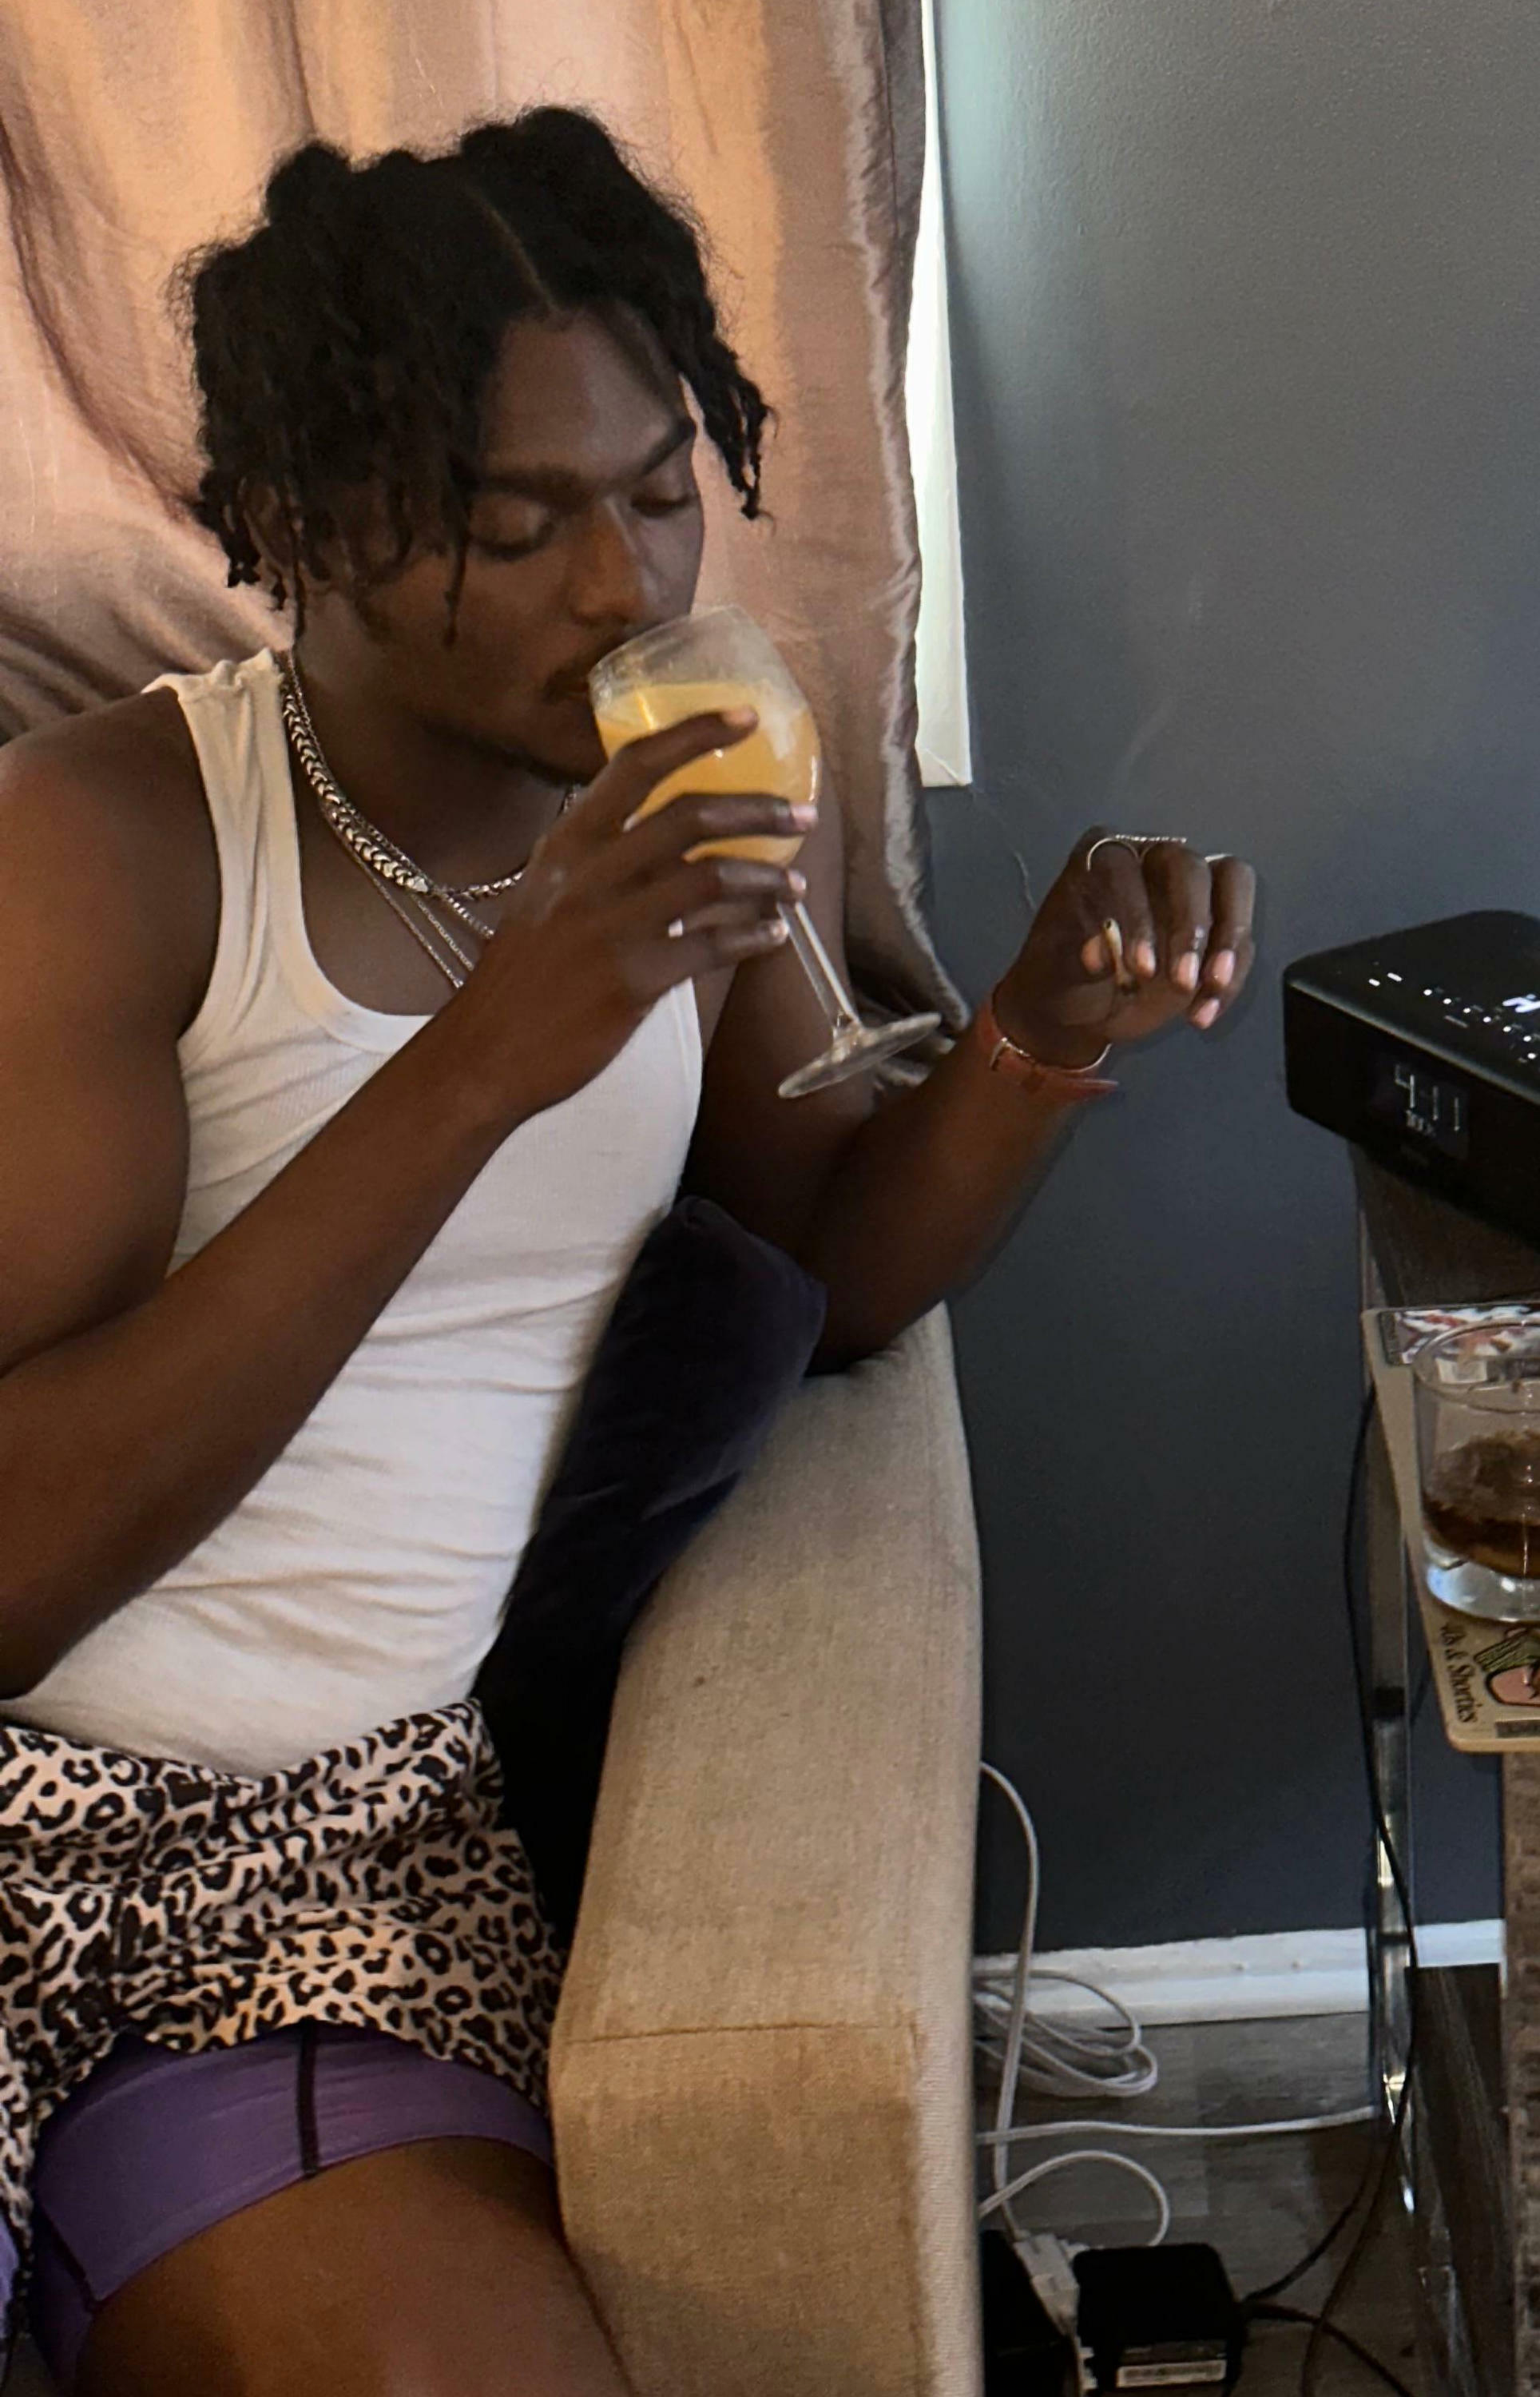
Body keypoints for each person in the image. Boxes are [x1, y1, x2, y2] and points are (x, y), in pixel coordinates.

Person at [0, 108, 1256, 2396]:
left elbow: (832, 1265)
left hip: (332, 1871)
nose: (623, 582)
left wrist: (1037, 1028)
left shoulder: (677, 795)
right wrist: (481, 1060)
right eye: (520, 525)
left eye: (665, 491)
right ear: (307, 522)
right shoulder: (110, 851)